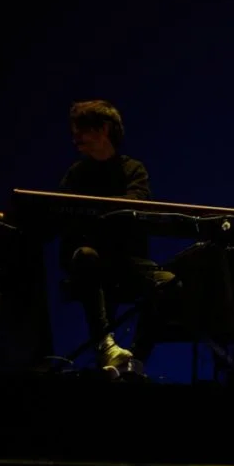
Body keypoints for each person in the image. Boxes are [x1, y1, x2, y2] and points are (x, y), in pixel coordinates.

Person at [57, 100, 175, 372]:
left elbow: (138, 203)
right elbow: (55, 211)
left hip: (126, 261)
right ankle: (105, 345)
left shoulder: (134, 169)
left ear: (104, 129)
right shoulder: (77, 173)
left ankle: (136, 359)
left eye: (82, 131)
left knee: (168, 283)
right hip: (90, 262)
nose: (75, 139)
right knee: (86, 256)